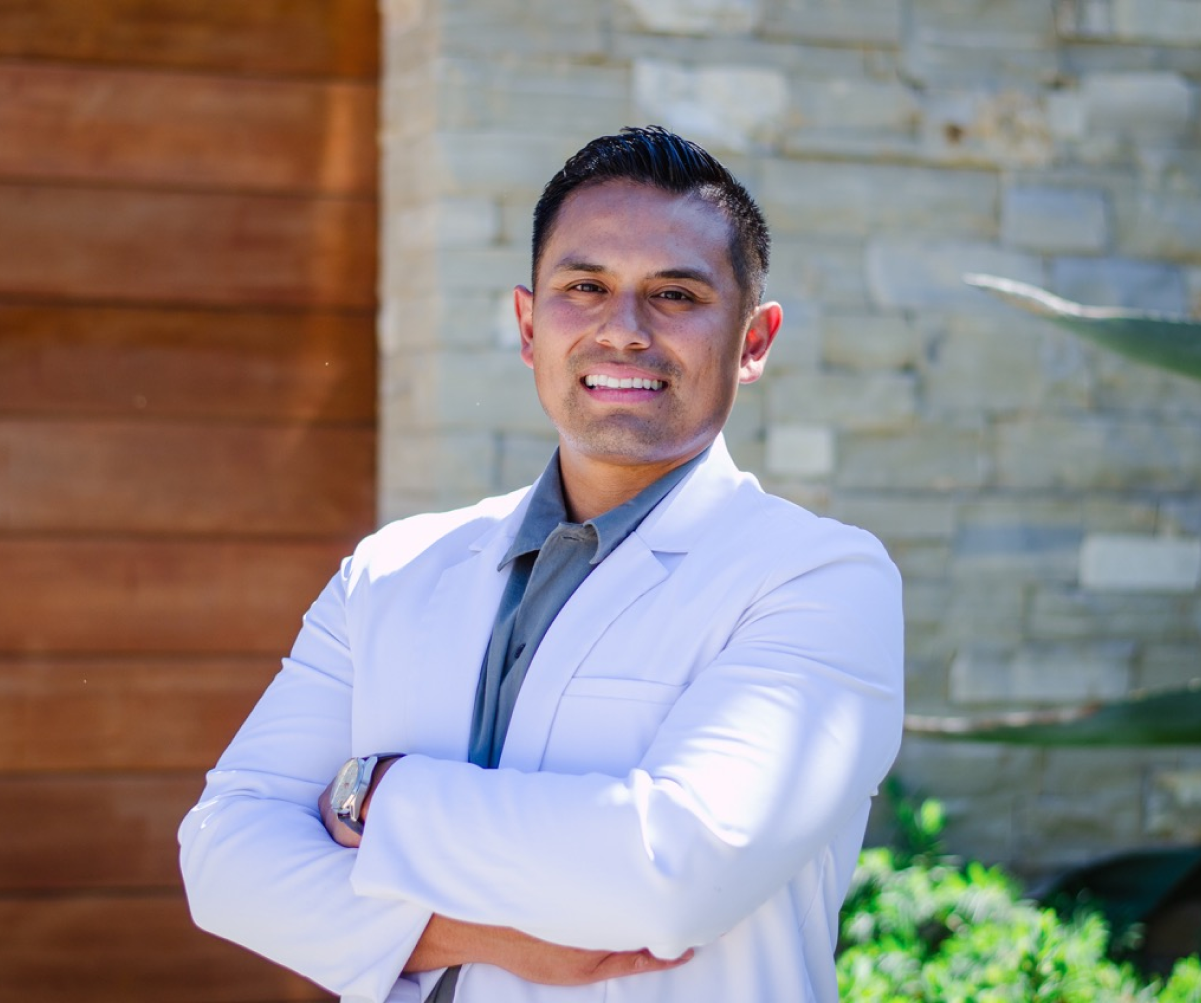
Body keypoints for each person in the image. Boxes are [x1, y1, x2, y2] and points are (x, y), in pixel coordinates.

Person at [179, 125, 904, 1003]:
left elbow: (670, 872)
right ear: (529, 324)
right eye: (584, 286)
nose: (623, 331)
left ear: (753, 341)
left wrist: (376, 790)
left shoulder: (819, 579)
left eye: (675, 294)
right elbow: (223, 853)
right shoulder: (393, 569)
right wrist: (459, 937)